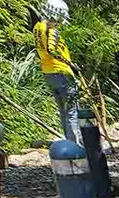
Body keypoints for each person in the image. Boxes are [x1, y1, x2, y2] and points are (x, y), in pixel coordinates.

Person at [34, 0, 79, 142]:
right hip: (62, 72)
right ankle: (75, 144)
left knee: (63, 110)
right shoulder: (51, 30)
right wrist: (71, 64)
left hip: (48, 72)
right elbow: (51, 50)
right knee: (71, 110)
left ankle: (68, 141)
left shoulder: (37, 27)